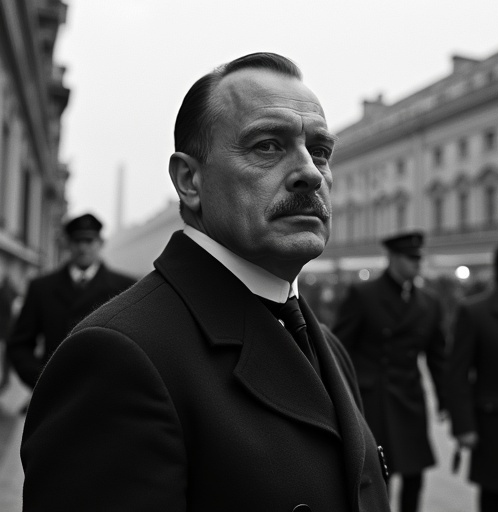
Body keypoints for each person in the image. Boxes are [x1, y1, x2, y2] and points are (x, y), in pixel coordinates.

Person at [20, 53, 391, 511]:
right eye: (268, 146)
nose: (311, 173)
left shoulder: (327, 346)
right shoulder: (119, 357)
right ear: (189, 180)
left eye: (320, 152)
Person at [332, 230, 446, 512]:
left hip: (409, 396)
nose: (417, 264)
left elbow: (438, 358)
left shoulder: (429, 303)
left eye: (420, 258)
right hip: (374, 400)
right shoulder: (364, 295)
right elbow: (338, 348)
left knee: (414, 474)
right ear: (393, 258)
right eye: (410, 258)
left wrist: (448, 401)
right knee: (379, 476)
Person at [7, 213, 136, 390]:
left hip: (105, 396)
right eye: (77, 241)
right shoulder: (41, 288)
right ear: (68, 244)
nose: (83, 248)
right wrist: (42, 379)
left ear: (100, 243)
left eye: (89, 241)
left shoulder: (125, 288)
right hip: (55, 396)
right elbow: (19, 345)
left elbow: (135, 348)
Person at [446, 242, 498, 512]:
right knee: (493, 498)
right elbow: (457, 374)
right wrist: (463, 426)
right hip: (495, 426)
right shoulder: (475, 311)